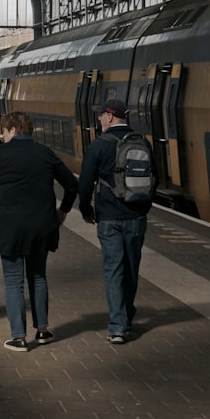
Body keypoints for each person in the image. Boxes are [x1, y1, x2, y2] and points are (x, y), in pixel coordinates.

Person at [0, 112, 78, 352]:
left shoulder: (0, 153)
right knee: (38, 276)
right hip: (42, 226)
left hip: (11, 227)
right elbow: (71, 184)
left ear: (13, 131)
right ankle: (42, 330)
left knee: (13, 281)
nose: (3, 136)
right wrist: (63, 211)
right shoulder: (45, 153)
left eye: (5, 132)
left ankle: (18, 337)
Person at [78, 98, 151, 344]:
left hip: (109, 218)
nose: (98, 119)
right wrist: (143, 207)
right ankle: (127, 317)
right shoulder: (142, 143)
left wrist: (85, 209)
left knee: (114, 270)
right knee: (131, 270)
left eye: (101, 115)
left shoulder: (99, 145)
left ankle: (118, 327)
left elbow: (85, 182)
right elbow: (155, 178)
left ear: (110, 117)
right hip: (136, 217)